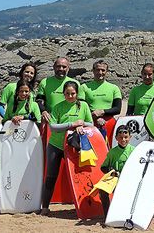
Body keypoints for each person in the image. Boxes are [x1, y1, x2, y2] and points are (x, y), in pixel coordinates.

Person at [41, 81, 93, 215]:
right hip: (56, 145)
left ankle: (83, 206)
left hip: (73, 147)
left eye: (73, 93)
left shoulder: (84, 106)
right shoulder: (58, 107)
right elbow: (53, 127)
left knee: (80, 176)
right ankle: (45, 207)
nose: (70, 96)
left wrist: (82, 124)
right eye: (67, 94)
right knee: (51, 176)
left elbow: (91, 124)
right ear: (63, 94)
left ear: (77, 94)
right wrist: (72, 124)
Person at [80, 60, 122, 138]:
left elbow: (117, 109)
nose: (100, 72)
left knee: (108, 148)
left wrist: (102, 112)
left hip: (109, 124)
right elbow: (81, 107)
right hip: (90, 123)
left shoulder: (114, 88)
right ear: (93, 71)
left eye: (103, 70)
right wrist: (95, 117)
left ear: (107, 71)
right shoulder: (84, 87)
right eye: (97, 70)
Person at [99, 125, 134, 216]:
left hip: (130, 180)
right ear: (116, 138)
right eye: (120, 137)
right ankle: (107, 215)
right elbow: (103, 167)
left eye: (126, 137)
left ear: (130, 137)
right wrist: (111, 170)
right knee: (102, 191)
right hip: (116, 180)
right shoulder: (112, 152)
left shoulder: (134, 151)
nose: (123, 140)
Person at [36, 57, 79, 123]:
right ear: (54, 67)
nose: (61, 69)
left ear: (68, 68)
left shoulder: (75, 83)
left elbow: (80, 103)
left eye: (64, 67)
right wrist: (43, 111)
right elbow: (39, 101)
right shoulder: (45, 82)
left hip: (70, 119)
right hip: (51, 120)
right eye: (58, 66)